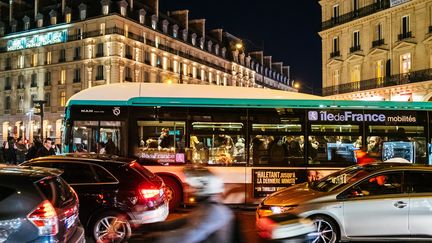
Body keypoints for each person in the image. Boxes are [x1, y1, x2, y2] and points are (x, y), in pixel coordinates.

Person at [133, 166, 239, 243]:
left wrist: (153, 238)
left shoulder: (215, 211)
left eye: (195, 187)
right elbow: (182, 222)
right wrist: (148, 227)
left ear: (205, 187)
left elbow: (189, 235)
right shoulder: (205, 206)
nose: (191, 190)